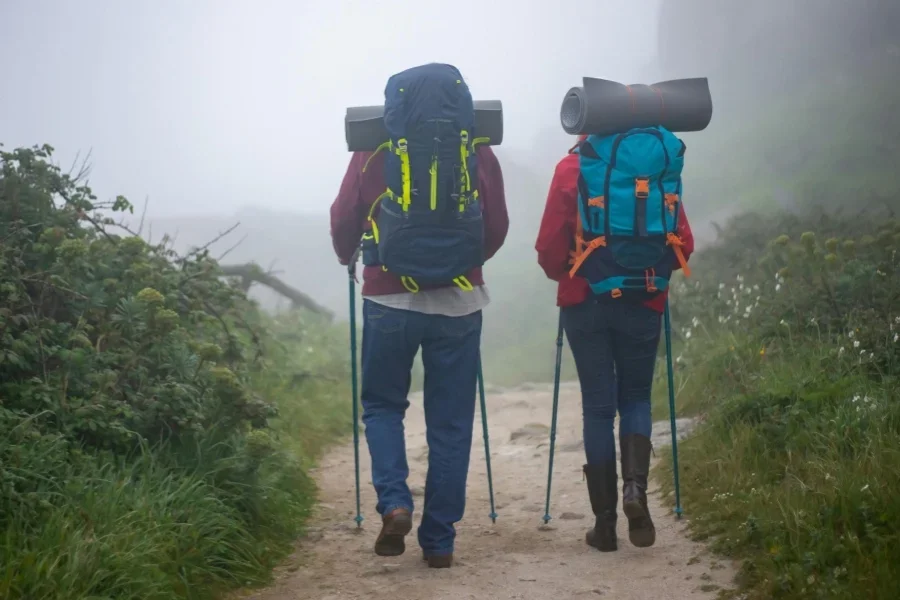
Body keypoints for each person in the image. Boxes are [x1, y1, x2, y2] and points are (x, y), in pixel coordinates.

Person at [330, 65, 509, 569]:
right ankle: (440, 541)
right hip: (459, 303)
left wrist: (349, 254)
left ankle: (395, 503)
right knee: (450, 424)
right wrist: (464, 263)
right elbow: (496, 225)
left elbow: (344, 217)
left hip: (388, 299)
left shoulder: (376, 144)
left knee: (383, 407)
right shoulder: (475, 145)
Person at [534, 133, 694, 552]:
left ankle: (604, 525)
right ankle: (635, 493)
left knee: (599, 407)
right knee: (637, 398)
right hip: (644, 297)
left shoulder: (572, 168)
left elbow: (549, 249)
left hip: (584, 300)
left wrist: (567, 272)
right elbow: (684, 243)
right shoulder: (657, 167)